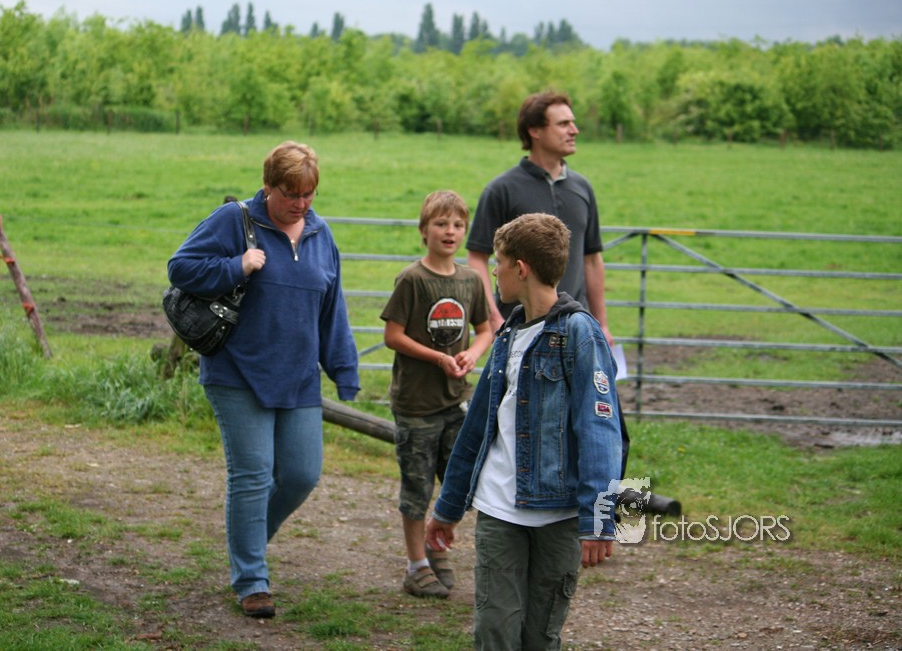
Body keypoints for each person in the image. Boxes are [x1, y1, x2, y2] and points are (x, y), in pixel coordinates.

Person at [167, 141, 360, 619]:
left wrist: (344, 369)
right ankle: (252, 579)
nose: (300, 203)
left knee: (301, 475)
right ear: (268, 186)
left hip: (298, 377)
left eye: (308, 194)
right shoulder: (234, 221)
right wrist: (237, 265)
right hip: (237, 372)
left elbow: (331, 307)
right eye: (291, 193)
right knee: (252, 475)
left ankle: (247, 541)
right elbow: (180, 268)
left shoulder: (320, 234)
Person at [425, 213, 623, 650]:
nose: (493, 271)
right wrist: (448, 506)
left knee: (540, 636)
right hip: (499, 511)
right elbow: (477, 428)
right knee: (494, 630)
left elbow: (600, 430)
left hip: (559, 516)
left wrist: (599, 519)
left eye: (498, 262)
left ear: (521, 268)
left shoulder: (579, 334)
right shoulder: (508, 334)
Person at [379, 190, 493, 599]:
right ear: (424, 230)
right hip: (416, 405)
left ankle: (437, 546)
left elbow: (485, 329)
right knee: (417, 487)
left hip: (456, 401)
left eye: (458, 225)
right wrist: (437, 357)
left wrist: (471, 354)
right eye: (441, 224)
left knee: (458, 483)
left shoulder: (471, 279)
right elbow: (393, 335)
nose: (450, 231)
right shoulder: (412, 279)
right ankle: (416, 566)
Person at [466, 90, 614, 348]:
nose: (574, 130)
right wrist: (493, 317)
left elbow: (592, 260)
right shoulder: (501, 190)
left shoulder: (583, 188)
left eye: (572, 122)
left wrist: (601, 325)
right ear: (534, 130)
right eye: (563, 124)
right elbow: (477, 258)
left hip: (574, 328)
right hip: (518, 330)